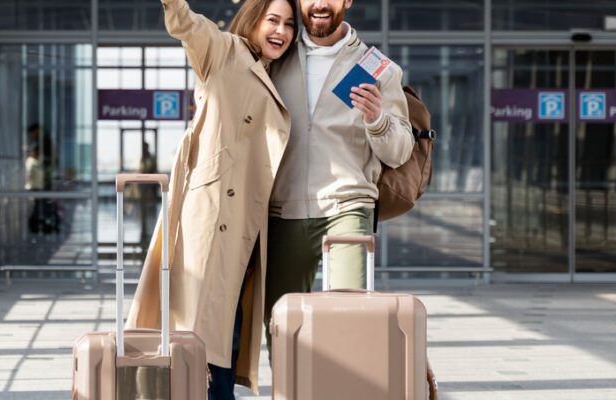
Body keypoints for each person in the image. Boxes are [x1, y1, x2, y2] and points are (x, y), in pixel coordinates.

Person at [125, 0, 297, 398]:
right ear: (253, 20)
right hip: (213, 217)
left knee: (223, 329)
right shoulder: (224, 50)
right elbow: (187, 26)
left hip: (245, 225)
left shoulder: (275, 74)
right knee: (203, 331)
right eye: (273, 20)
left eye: (289, 24)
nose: (281, 31)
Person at [263, 0, 415, 354]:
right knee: (281, 328)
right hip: (284, 208)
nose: (319, 4)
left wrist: (377, 119)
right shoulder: (275, 58)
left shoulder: (376, 68)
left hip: (348, 204)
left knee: (350, 319)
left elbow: (400, 151)